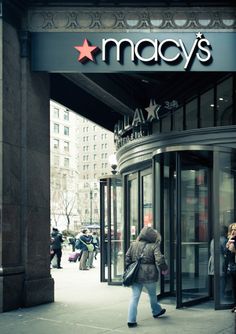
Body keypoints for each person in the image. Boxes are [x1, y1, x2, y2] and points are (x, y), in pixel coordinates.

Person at [125, 226, 168, 328]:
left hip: (135, 274)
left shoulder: (133, 244)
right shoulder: (154, 246)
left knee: (134, 297)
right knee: (152, 295)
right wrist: (164, 268)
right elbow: (159, 259)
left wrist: (129, 268)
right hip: (150, 274)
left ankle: (131, 320)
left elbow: (127, 258)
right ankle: (156, 311)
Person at [225, 223, 236, 313]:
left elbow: (232, 251)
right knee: (233, 287)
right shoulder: (230, 240)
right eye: (232, 229)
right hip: (231, 267)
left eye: (235, 229)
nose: (233, 231)